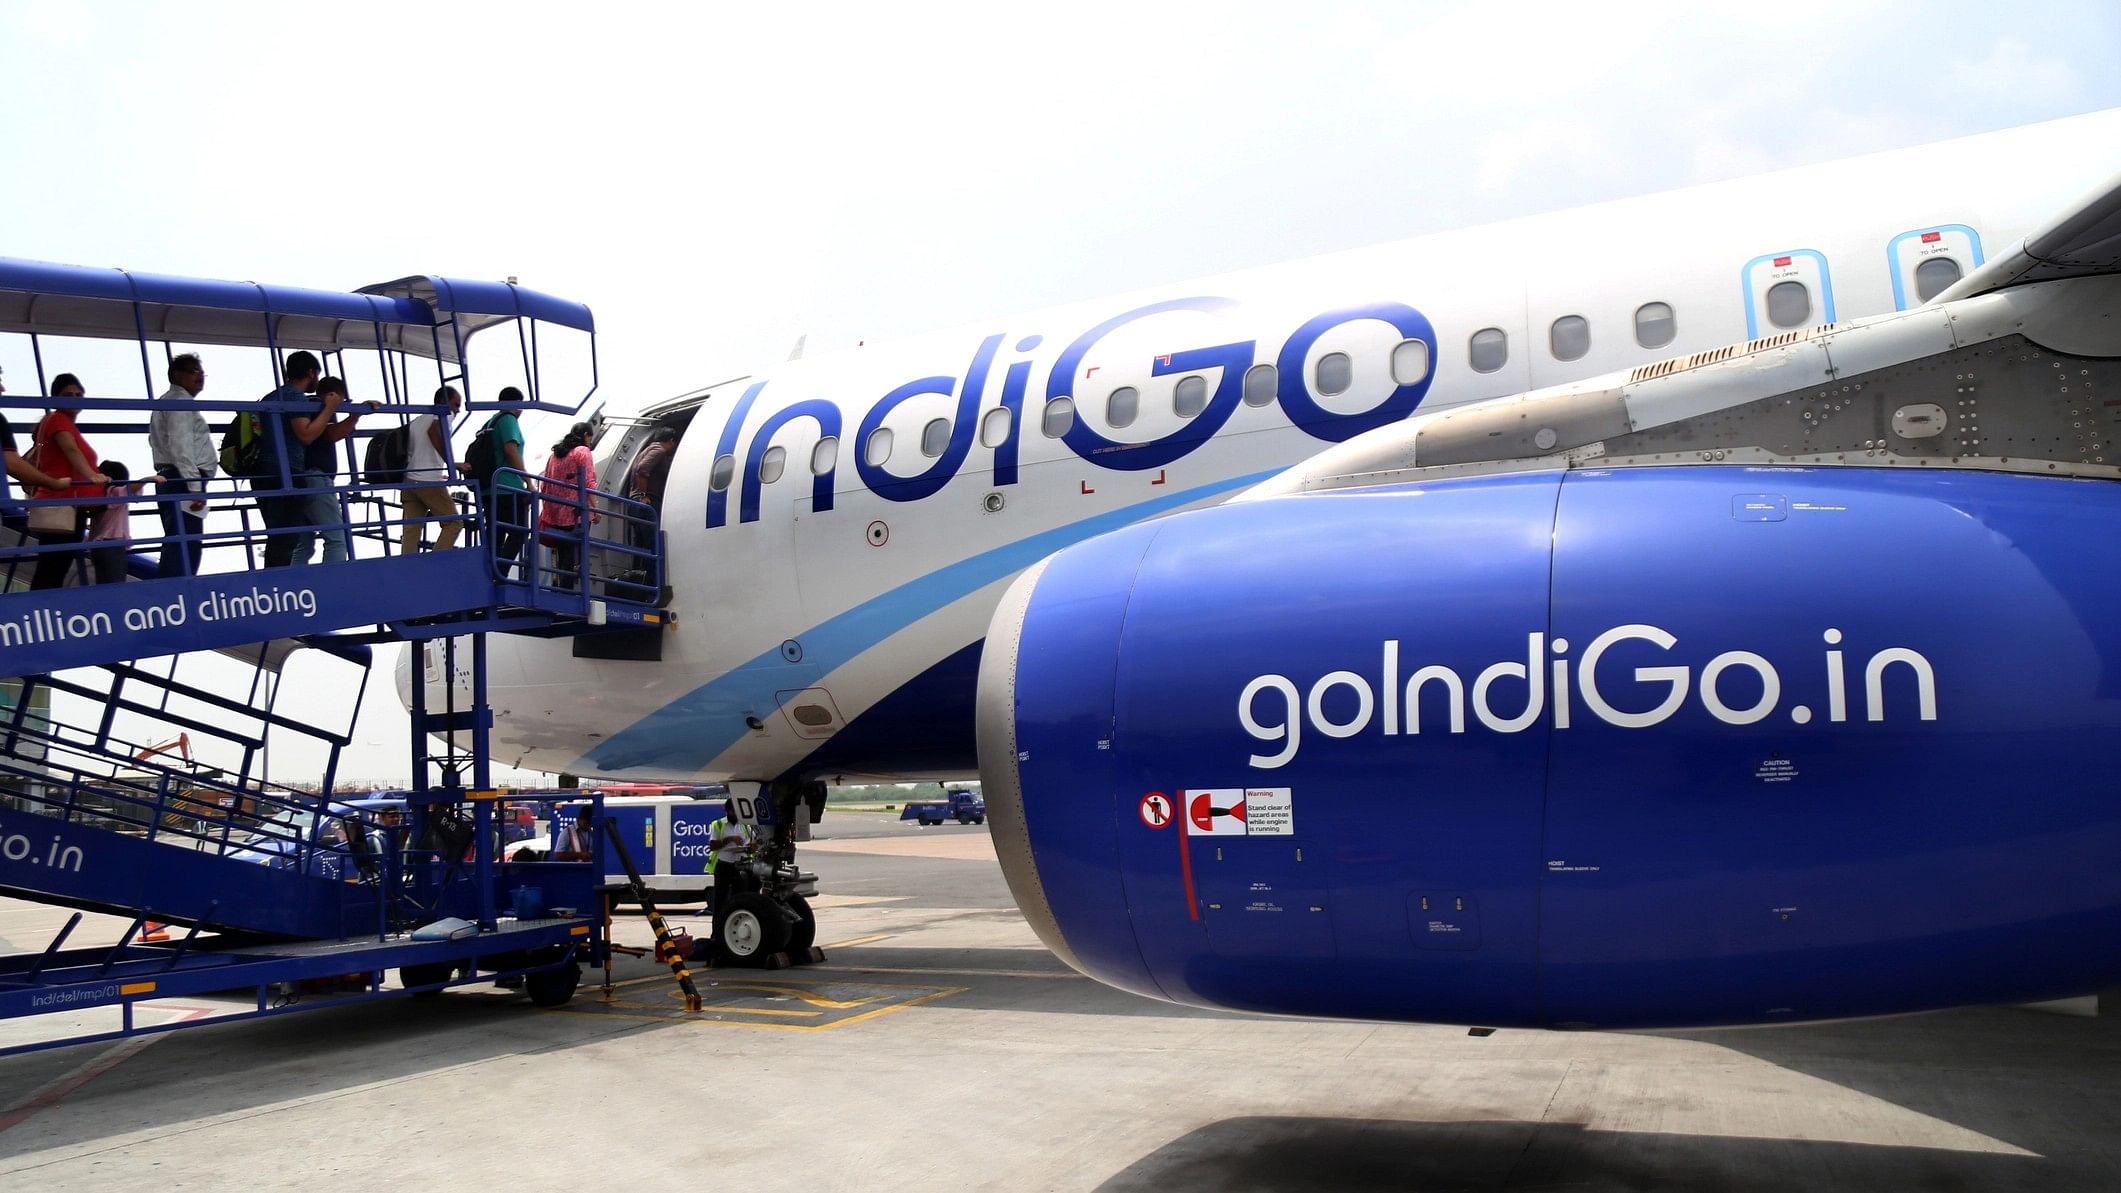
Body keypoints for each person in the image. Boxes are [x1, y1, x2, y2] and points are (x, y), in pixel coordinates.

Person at [254, 355, 372, 567]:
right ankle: (330, 585)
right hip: (300, 476)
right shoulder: (302, 401)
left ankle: (290, 585)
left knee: (296, 541)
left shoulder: (271, 397)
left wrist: (351, 416)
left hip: (269, 475)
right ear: (310, 372)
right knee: (336, 538)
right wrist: (331, 409)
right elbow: (310, 435)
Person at [28, 374, 110, 590]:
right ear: (55, 398)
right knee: (53, 567)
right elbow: (70, 450)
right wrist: (93, 476)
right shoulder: (57, 420)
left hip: (68, 505)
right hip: (62, 503)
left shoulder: (61, 424)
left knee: (55, 566)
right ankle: (39, 611)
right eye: (68, 395)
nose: (74, 399)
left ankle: (40, 609)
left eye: (78, 395)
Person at [148, 353, 215, 577]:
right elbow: (181, 446)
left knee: (181, 541)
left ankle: (174, 591)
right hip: (184, 481)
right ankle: (177, 595)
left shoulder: (168, 401)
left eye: (201, 372)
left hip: (177, 479)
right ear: (177, 374)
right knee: (186, 545)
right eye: (193, 371)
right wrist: (195, 486)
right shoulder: (179, 402)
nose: (200, 377)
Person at [399, 385, 465, 554]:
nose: (458, 411)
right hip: (428, 480)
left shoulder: (418, 420)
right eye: (456, 404)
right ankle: (434, 561)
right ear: (445, 402)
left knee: (411, 529)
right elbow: (433, 432)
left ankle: (407, 565)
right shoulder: (444, 414)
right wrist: (452, 463)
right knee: (454, 523)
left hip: (409, 481)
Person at [536, 421, 598, 590]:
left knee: (564, 553)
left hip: (556, 513)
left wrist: (549, 510)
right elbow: (589, 481)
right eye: (590, 438)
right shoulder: (582, 451)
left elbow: (545, 485)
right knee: (578, 552)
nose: (590, 442)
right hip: (577, 512)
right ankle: (572, 590)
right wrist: (595, 507)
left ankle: (565, 589)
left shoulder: (554, 455)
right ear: (586, 435)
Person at [85, 461, 165, 584]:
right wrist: (149, 479)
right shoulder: (115, 492)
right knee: (116, 584)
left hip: (96, 547)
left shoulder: (99, 496)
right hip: (113, 545)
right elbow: (132, 488)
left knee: (102, 584)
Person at [481, 388, 531, 576]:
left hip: (489, 487)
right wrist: (528, 481)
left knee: (497, 533)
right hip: (507, 486)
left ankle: (489, 573)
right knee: (519, 531)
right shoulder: (509, 420)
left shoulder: (491, 422)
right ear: (516, 404)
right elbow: (511, 451)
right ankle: (499, 573)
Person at [620, 426, 677, 585]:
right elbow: (642, 469)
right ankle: (653, 583)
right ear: (671, 441)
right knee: (653, 545)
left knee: (643, 545)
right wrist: (644, 496)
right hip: (646, 502)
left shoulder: (646, 450)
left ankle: (643, 583)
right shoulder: (658, 451)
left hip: (635, 503)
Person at [707, 799, 753, 944]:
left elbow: (751, 844)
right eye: (733, 811)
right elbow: (713, 846)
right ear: (727, 811)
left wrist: (751, 848)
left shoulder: (745, 825)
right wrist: (729, 840)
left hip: (740, 865)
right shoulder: (718, 824)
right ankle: (717, 934)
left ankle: (737, 933)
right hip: (724, 865)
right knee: (720, 902)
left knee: (740, 900)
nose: (736, 814)